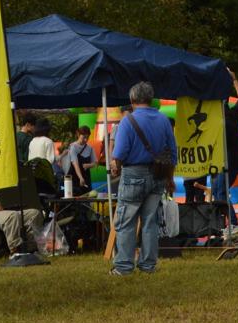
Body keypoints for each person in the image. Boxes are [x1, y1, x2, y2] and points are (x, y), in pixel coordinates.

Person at [110, 81, 176, 276]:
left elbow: (119, 154)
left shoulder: (127, 121)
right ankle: (148, 266)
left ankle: (124, 266)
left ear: (132, 100)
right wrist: (169, 178)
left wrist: (115, 166)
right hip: (158, 175)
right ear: (151, 99)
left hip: (133, 175)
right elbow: (172, 153)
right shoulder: (164, 120)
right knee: (151, 222)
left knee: (126, 221)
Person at [211, 69, 238, 229]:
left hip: (226, 160)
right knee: (220, 190)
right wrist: (234, 79)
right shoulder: (233, 113)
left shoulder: (219, 120)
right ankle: (225, 222)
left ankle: (232, 222)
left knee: (219, 192)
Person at [65, 125, 96, 195]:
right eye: (84, 137)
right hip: (74, 179)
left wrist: (89, 165)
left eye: (87, 138)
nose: (85, 140)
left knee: (87, 200)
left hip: (86, 179)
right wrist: (80, 178)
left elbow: (95, 163)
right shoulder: (73, 147)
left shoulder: (90, 148)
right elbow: (75, 164)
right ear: (78, 135)